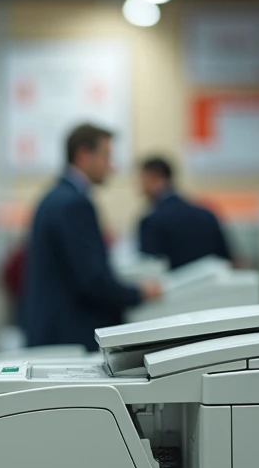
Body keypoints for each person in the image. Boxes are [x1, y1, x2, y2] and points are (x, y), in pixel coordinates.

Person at [22, 124, 160, 351]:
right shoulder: (75, 203)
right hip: (72, 335)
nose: (112, 167)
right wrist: (139, 293)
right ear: (83, 155)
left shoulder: (54, 196)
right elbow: (91, 279)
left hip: (52, 330)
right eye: (106, 156)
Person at [138, 156, 232, 269]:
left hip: (171, 285)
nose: (140, 186)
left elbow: (148, 269)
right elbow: (228, 258)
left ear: (154, 177)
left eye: (142, 179)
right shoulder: (207, 214)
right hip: (210, 284)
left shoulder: (151, 222)